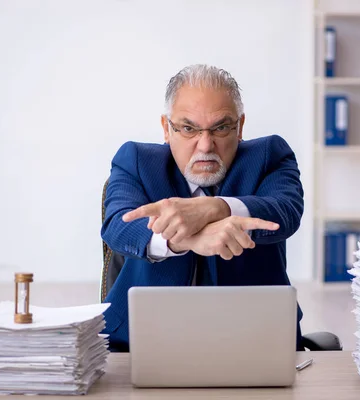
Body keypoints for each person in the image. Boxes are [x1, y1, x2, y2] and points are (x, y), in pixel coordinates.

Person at [101, 64, 305, 351]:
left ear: (240, 126)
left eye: (221, 127)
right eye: (188, 128)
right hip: (139, 343)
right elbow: (118, 227)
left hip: (258, 341)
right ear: (166, 128)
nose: (205, 145)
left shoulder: (270, 156)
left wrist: (216, 209)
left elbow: (284, 211)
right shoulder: (135, 160)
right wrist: (188, 238)